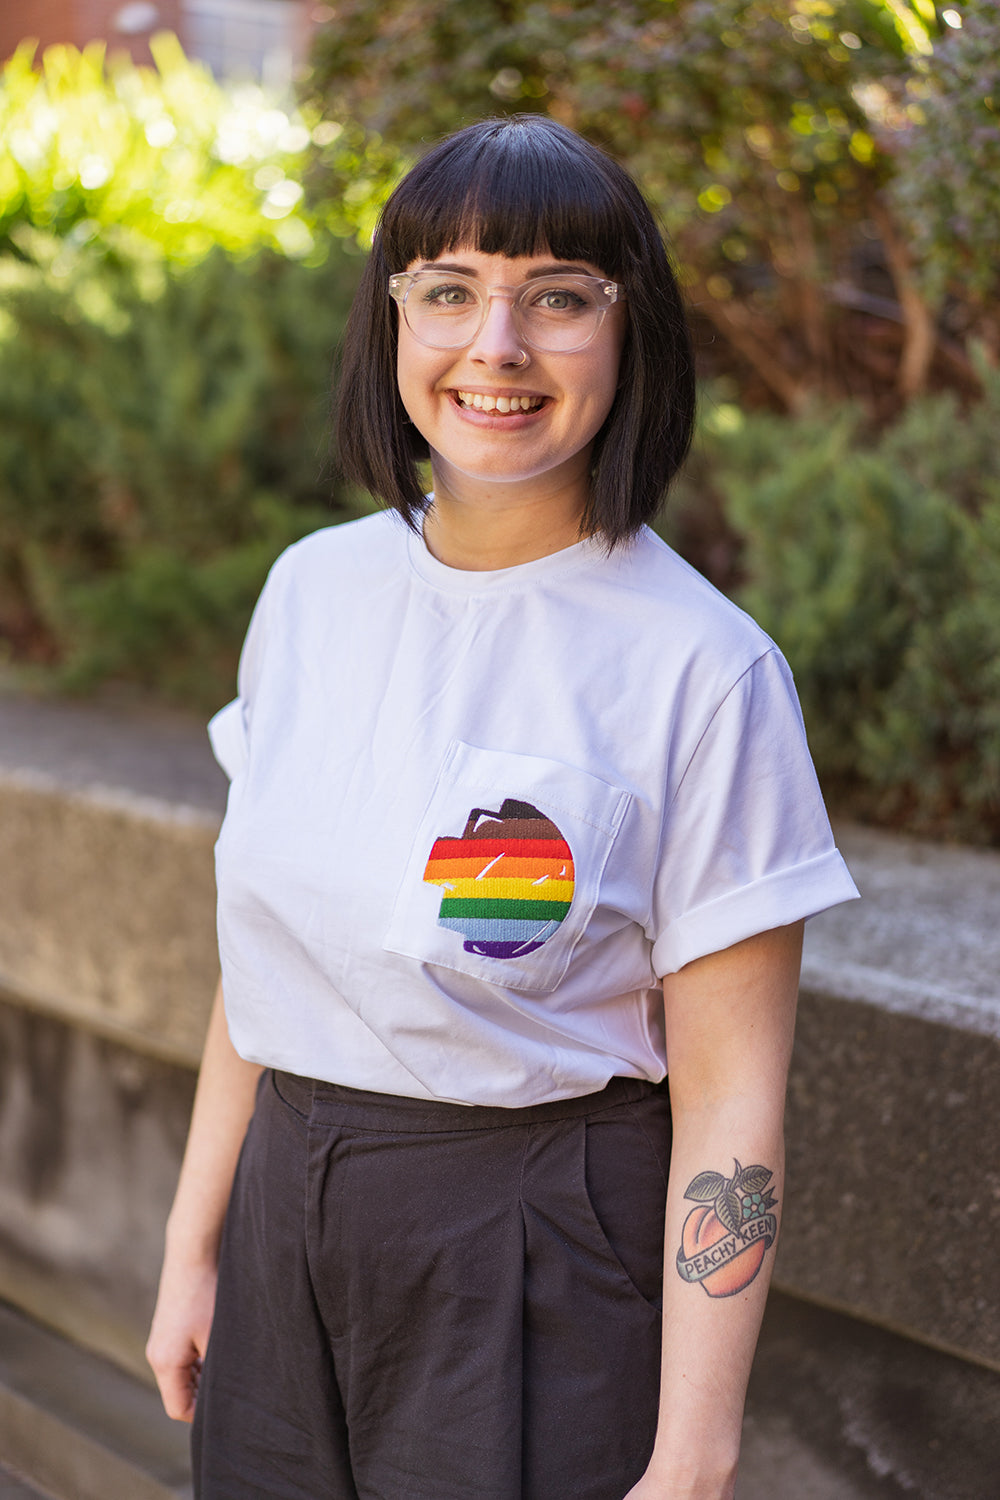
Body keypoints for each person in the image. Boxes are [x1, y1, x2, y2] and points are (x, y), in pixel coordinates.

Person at [146, 114, 858, 1500]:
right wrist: (192, 1249)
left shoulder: (705, 670)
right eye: (451, 292)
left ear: (629, 329)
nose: (498, 346)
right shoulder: (312, 593)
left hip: (528, 1249)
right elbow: (265, 968)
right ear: (391, 321)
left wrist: (695, 1460)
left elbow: (729, 1100)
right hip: (285, 1215)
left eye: (558, 298)